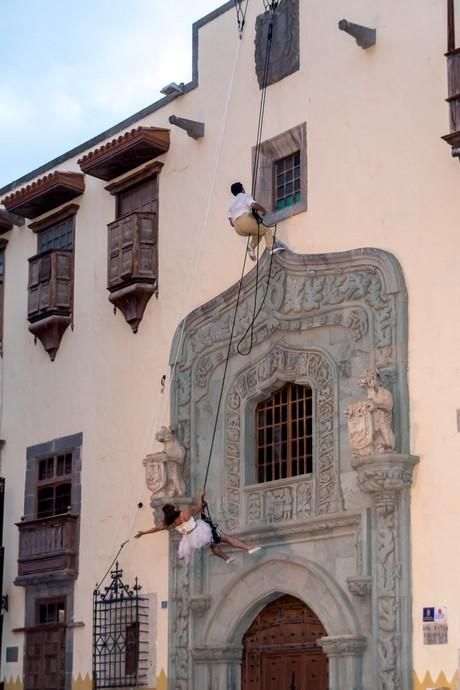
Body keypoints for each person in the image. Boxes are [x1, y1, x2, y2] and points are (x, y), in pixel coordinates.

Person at [135, 494, 261, 564]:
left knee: (212, 545)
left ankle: (226, 558)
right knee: (225, 538)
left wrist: (143, 533)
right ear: (173, 509)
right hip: (200, 532)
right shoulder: (185, 513)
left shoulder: (171, 523)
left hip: (191, 540)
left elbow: (156, 529)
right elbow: (199, 508)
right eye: (174, 506)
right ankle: (248, 548)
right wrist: (202, 501)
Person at [228, 182, 282, 261]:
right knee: (267, 231)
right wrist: (263, 210)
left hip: (237, 228)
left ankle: (251, 247)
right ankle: (271, 248)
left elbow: (231, 222)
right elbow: (253, 205)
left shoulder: (231, 204)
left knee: (259, 232)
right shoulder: (245, 196)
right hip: (245, 220)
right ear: (242, 189)